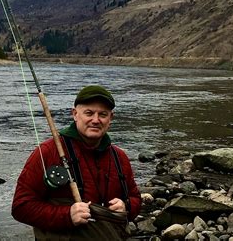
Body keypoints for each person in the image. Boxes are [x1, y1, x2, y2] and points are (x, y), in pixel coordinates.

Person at [12, 85, 141, 240]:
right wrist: (67, 215)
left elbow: (136, 199)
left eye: (102, 114)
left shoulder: (120, 157)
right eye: (89, 113)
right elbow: (21, 207)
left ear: (110, 119)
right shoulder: (48, 151)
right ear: (75, 114)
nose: (95, 120)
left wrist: (126, 206)